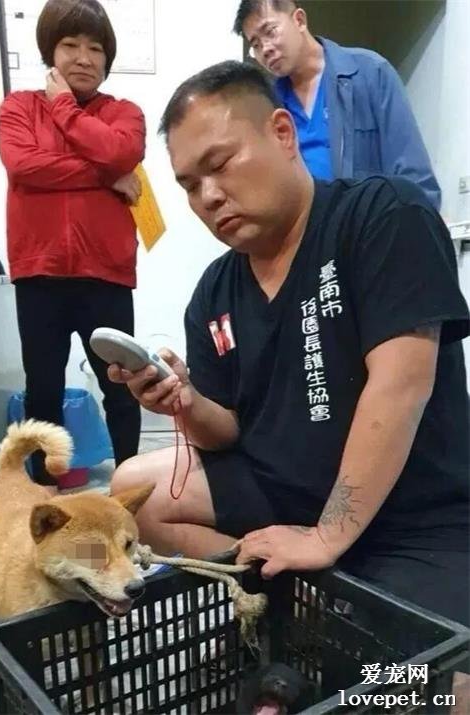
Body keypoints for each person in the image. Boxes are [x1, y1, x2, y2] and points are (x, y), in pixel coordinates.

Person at [109, 61, 469, 628]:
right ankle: (292, 604)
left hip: (412, 517)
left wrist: (328, 535)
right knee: (133, 490)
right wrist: (185, 402)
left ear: (282, 133)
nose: (208, 196)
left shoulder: (384, 215)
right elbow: (226, 430)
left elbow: (402, 386)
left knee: (420, 676)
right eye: (189, 185)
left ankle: (323, 614)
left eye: (220, 164)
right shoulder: (215, 291)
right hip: (283, 492)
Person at [0, 0, 144, 485]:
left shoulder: (123, 112)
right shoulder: (18, 107)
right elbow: (25, 167)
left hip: (106, 273)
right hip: (39, 273)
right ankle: (41, 497)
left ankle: (128, 493)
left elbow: (121, 151)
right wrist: (105, 176)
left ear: (107, 58)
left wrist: (63, 107)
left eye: (95, 48)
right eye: (70, 44)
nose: (83, 57)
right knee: (42, 390)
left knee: (120, 387)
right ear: (50, 51)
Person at [233, 0, 441, 210]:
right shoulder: (270, 107)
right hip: (307, 228)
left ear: (299, 20)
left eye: (270, 31)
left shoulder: (370, 73)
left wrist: (417, 223)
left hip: (372, 224)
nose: (265, 49)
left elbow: (415, 179)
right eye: (256, 45)